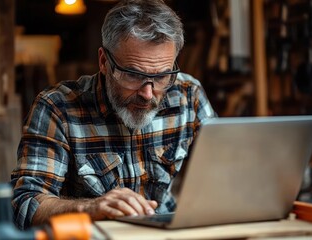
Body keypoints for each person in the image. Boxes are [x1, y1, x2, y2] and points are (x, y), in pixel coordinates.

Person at [11, 0, 216, 230]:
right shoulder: (57, 108)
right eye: (133, 75)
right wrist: (91, 208)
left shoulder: (189, 96)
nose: (148, 94)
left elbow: (225, 174)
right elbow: (25, 206)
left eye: (161, 77)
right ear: (103, 62)